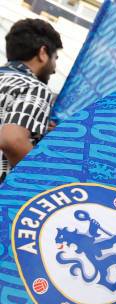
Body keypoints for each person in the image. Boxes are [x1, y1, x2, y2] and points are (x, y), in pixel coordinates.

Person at [0, 18, 62, 184]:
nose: (55, 69)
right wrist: (45, 183)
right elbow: (12, 140)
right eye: (55, 58)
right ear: (43, 53)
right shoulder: (34, 87)